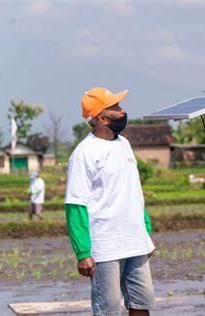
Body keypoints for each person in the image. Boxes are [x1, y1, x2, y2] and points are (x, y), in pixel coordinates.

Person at [65, 87, 155, 315]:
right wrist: (83, 252)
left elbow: (133, 191)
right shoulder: (84, 153)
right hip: (105, 248)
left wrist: (145, 231)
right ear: (102, 119)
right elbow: (76, 205)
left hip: (135, 242)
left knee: (142, 304)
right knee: (109, 309)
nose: (123, 110)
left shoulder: (124, 144)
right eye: (115, 107)